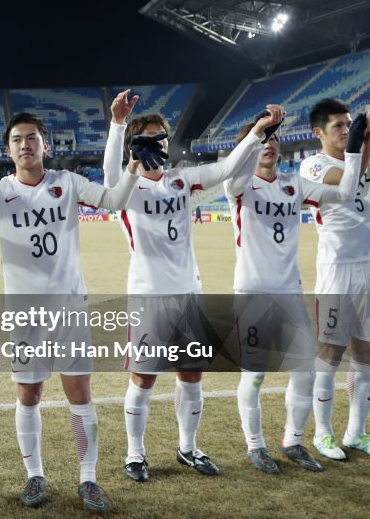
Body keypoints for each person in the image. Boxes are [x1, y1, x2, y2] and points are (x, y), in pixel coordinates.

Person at [0, 112, 140, 512]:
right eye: (17, 139)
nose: (25, 145)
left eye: (32, 138)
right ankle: (34, 475)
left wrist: (132, 160)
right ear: (8, 149)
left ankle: (88, 479)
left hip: (69, 307)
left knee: (80, 393)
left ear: (45, 145)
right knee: (29, 394)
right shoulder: (0, 191)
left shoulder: (66, 184)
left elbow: (115, 200)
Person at [102, 90, 282, 482]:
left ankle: (188, 448)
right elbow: (111, 180)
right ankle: (135, 453)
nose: (159, 145)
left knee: (192, 374)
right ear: (136, 145)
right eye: (149, 138)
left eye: (163, 138)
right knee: (144, 378)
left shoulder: (182, 181)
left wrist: (259, 134)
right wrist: (118, 126)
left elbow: (228, 168)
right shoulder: (128, 189)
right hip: (148, 298)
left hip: (189, 294)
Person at [225, 104, 370, 473]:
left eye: (274, 139)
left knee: (304, 371)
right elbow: (230, 174)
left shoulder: (294, 185)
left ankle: (293, 440)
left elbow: (344, 192)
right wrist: (258, 129)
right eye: (262, 141)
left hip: (290, 291)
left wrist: (355, 150)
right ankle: (255, 445)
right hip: (253, 292)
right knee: (255, 373)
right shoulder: (240, 187)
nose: (269, 145)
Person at [300, 94, 370, 460]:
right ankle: (323, 434)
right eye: (338, 126)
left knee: (367, 352)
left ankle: (356, 434)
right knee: (329, 353)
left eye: (347, 124)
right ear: (318, 132)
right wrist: (368, 136)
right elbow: (348, 178)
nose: (345, 131)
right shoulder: (313, 166)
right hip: (336, 272)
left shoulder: (363, 152)